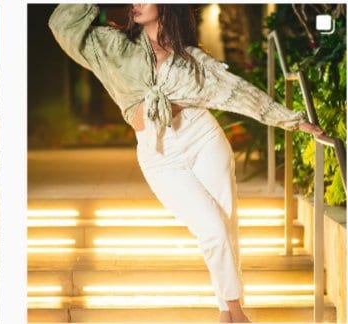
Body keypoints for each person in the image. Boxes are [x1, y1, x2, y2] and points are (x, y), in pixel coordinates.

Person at [49, 4, 325, 323]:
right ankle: (235, 313)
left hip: (203, 136)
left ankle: (230, 311)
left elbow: (239, 93)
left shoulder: (192, 58)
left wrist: (293, 121)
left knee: (226, 225)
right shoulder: (110, 45)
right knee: (212, 228)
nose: (135, 3)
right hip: (159, 152)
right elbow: (62, 24)